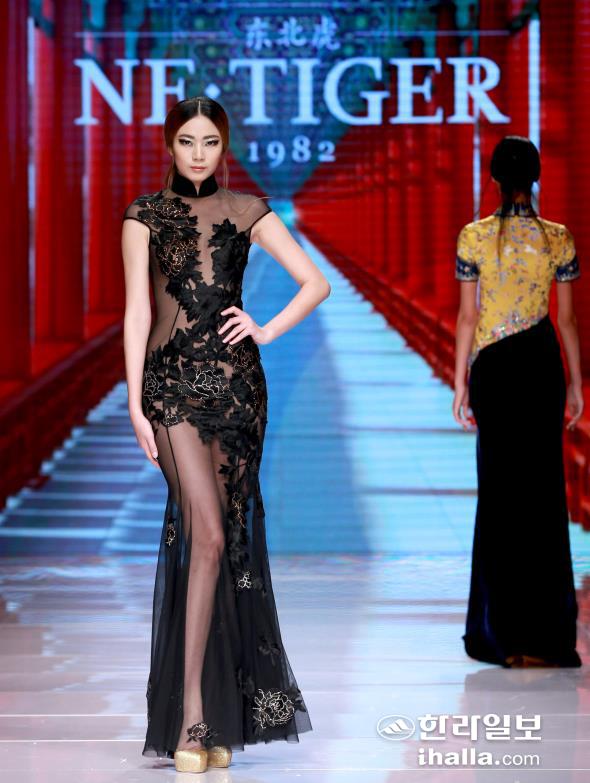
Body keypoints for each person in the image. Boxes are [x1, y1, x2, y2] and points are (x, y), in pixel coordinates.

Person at [121, 96, 329, 772]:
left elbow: (315, 283)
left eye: (210, 142)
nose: (199, 154)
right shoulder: (143, 216)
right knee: (205, 534)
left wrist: (265, 329)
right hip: (170, 387)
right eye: (187, 141)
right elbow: (137, 311)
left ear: (225, 146)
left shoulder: (247, 211)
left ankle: (216, 716)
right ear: (169, 145)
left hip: (238, 389)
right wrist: (134, 401)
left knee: (226, 543)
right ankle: (192, 717)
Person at [452, 135, 584, 669]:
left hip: (494, 369)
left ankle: (500, 635)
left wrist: (460, 382)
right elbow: (567, 319)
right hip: (541, 366)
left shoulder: (474, 237)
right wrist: (575, 383)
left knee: (499, 495)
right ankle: (547, 636)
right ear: (535, 177)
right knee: (544, 495)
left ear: (493, 178)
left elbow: (468, 317)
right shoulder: (558, 238)